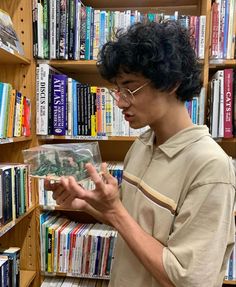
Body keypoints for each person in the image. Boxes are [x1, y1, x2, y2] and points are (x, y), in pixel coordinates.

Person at [45, 21, 236, 287]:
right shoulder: (144, 143)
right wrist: (87, 201)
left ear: (171, 83)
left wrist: (114, 213)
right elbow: (131, 222)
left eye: (130, 88)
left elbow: (189, 280)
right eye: (117, 90)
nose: (121, 102)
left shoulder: (211, 168)